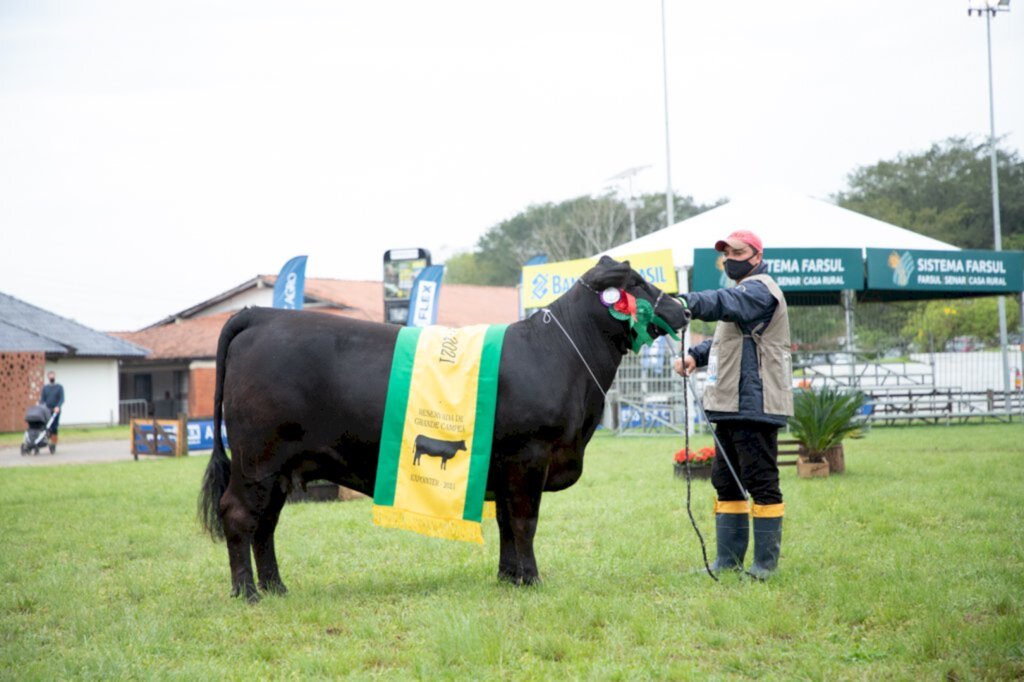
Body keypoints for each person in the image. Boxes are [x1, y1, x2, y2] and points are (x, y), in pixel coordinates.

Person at [673, 229, 793, 580]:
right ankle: (728, 561)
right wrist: (696, 355)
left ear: (756, 256)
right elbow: (727, 338)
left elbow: (724, 303)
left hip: (754, 401)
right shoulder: (744, 292)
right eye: (725, 253)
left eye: (737, 252)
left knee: (761, 481)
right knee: (725, 481)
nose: (730, 259)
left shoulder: (759, 289)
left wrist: (687, 303)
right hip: (729, 401)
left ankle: (764, 567)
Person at [40, 371, 65, 451]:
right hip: (47, 411)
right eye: (50, 376)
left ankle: (54, 443)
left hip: (56, 411)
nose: (51, 377)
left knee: (54, 427)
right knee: (47, 427)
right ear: (48, 377)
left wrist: (58, 406)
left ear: (55, 377)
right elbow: (42, 400)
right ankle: (48, 441)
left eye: (53, 376)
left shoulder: (59, 387)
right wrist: (42, 407)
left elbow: (62, 399)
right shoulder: (45, 388)